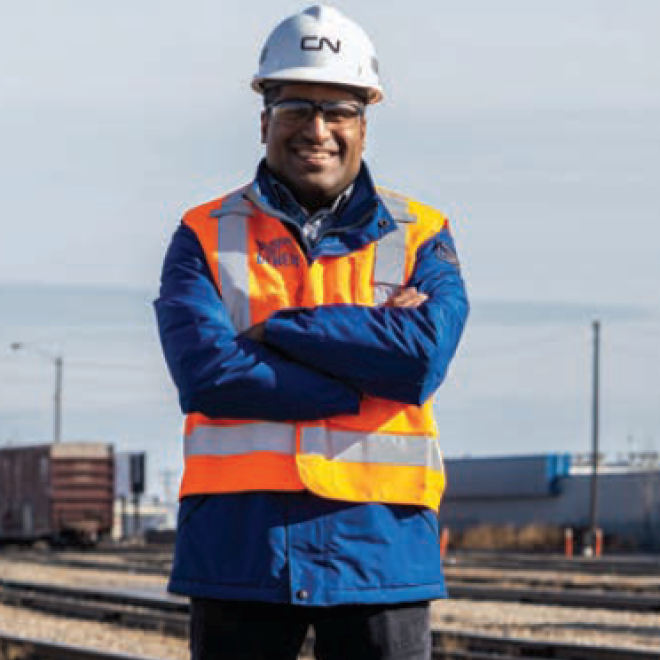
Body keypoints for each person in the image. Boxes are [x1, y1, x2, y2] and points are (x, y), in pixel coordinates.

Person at [155, 5, 469, 660]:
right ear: (264, 115)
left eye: (339, 111)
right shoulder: (203, 234)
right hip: (242, 545)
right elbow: (207, 375)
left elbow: (419, 361)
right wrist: (360, 377)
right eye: (297, 106)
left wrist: (280, 330)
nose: (317, 130)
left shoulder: (422, 234)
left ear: (364, 121)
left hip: (379, 547)